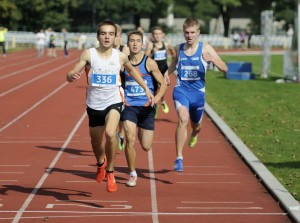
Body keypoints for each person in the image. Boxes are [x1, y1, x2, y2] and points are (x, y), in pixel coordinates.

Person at [66, 20, 154, 192]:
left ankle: (111, 171)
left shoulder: (120, 56)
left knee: (111, 133)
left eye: (111, 34)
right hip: (94, 104)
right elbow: (73, 70)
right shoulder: (88, 54)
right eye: (103, 33)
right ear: (98, 36)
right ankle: (100, 163)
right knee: (96, 142)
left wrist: (146, 89)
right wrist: (70, 76)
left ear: (115, 37)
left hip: (114, 100)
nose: (107, 37)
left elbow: (133, 71)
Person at [165, 17, 227, 172]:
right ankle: (179, 158)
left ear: (198, 32)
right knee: (182, 119)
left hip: (198, 94)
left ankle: (194, 134)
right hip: (181, 91)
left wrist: (212, 59)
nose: (189, 35)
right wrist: (167, 73)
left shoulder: (206, 48)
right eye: (187, 32)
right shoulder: (179, 48)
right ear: (183, 32)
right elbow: (174, 61)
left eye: (192, 32)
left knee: (196, 126)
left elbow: (225, 68)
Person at [121, 30, 167, 187]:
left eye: (137, 41)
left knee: (146, 146)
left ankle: (141, 128)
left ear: (142, 44)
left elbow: (163, 83)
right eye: (132, 41)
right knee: (129, 138)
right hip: (129, 106)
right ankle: (132, 174)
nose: (134, 43)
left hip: (147, 108)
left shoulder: (149, 63)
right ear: (128, 44)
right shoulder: (123, 63)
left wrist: (158, 98)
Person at [145, 26, 173, 118]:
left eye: (159, 34)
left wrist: (174, 57)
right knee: (154, 89)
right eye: (155, 34)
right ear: (152, 35)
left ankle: (162, 101)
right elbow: (145, 57)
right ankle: (155, 106)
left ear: (163, 35)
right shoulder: (150, 45)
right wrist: (153, 52)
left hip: (164, 70)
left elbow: (173, 53)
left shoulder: (166, 44)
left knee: (162, 87)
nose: (157, 36)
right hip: (153, 71)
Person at [114, 24, 129, 151]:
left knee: (123, 115)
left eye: (117, 35)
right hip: (110, 87)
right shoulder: (105, 50)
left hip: (124, 85)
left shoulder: (125, 49)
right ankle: (116, 135)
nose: (115, 38)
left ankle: (121, 135)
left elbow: (124, 68)